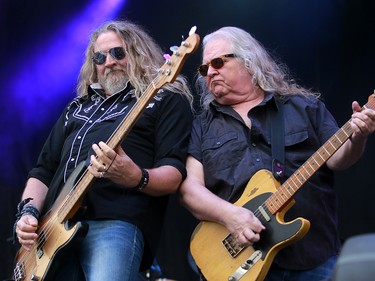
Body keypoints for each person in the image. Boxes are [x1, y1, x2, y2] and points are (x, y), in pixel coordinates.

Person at [179, 26, 375, 281]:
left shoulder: (303, 106)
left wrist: (359, 135)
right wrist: (231, 217)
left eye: (218, 62)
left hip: (311, 255)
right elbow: (189, 190)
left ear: (248, 60)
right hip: (241, 261)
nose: (211, 72)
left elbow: (338, 159)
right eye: (204, 69)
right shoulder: (202, 125)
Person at [14, 20, 193, 281]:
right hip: (51, 232)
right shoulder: (77, 108)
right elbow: (43, 170)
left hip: (114, 223)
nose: (109, 62)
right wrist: (27, 213)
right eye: (99, 57)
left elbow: (174, 173)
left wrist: (136, 176)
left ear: (137, 53)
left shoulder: (164, 98)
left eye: (118, 53)